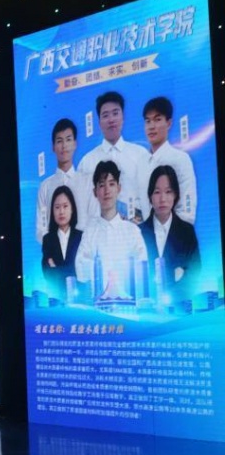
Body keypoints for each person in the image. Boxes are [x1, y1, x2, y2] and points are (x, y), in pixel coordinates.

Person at [75, 160, 148, 302]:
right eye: (102, 185)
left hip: (129, 302)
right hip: (97, 304)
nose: (107, 191)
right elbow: (80, 270)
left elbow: (142, 268)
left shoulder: (132, 231)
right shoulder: (89, 232)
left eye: (111, 184)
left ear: (119, 188)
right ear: (95, 192)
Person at [77, 91, 147, 222]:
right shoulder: (87, 162)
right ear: (99, 122)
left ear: (123, 117)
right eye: (105, 115)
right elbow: (82, 205)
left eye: (115, 113)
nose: (111, 120)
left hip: (137, 228)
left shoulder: (141, 155)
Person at [139, 165, 201, 299]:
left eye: (168, 191)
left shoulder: (187, 232)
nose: (162, 199)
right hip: (145, 306)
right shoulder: (138, 233)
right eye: (157, 192)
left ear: (175, 195)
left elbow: (194, 275)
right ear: (150, 196)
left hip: (179, 306)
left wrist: (170, 298)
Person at [35, 118, 94, 243]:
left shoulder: (88, 182)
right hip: (54, 252)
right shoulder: (45, 186)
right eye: (59, 141)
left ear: (75, 144)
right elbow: (41, 228)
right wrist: (55, 248)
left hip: (84, 250)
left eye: (68, 139)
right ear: (53, 147)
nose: (64, 146)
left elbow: (94, 219)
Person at [138, 96, 196, 224]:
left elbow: (187, 211)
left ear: (169, 123)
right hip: (146, 234)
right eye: (148, 121)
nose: (151, 126)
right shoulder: (141, 162)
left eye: (157, 119)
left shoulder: (180, 159)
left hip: (174, 233)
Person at [41, 185, 83, 296]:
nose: (61, 211)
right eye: (57, 207)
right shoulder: (48, 240)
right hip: (56, 296)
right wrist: (70, 270)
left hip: (79, 295)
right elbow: (47, 273)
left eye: (65, 206)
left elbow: (82, 271)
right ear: (52, 211)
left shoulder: (81, 237)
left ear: (72, 209)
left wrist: (56, 269)